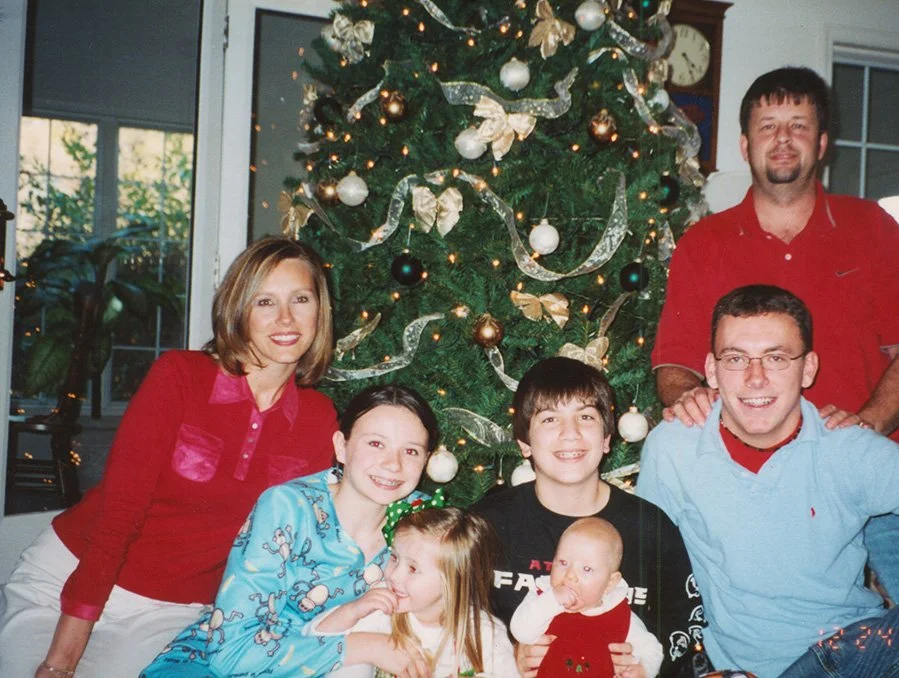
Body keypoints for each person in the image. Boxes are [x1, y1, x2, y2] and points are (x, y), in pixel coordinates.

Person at [650, 66, 899, 603]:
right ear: (744, 143)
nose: (781, 139)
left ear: (822, 143)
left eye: (797, 125)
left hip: (880, 475)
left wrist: (864, 428)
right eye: (768, 125)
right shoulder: (705, 242)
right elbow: (674, 364)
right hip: (758, 482)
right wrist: (689, 399)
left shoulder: (872, 227)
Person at [0, 237, 339, 678]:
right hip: (69, 578)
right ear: (239, 310)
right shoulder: (178, 377)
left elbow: (301, 548)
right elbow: (120, 514)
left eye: (300, 298)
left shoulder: (320, 419)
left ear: (319, 310)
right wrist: (61, 661)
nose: (286, 318)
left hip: (173, 613)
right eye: (265, 301)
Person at [637, 284, 899, 678]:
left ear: (808, 368)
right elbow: (646, 574)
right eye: (737, 358)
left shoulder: (848, 448)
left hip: (855, 656)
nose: (755, 378)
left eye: (776, 358)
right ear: (711, 370)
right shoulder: (673, 447)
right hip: (743, 671)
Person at [142, 384, 440, 677]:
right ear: (342, 447)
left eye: (411, 451)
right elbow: (230, 656)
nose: (393, 464)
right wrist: (362, 647)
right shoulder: (287, 507)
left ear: (426, 460)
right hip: (213, 666)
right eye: (376, 444)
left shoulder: (422, 522)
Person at [475, 357, 705, 678]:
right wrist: (506, 654)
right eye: (550, 419)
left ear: (607, 438)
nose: (570, 434)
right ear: (524, 443)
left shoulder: (649, 527)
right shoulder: (485, 525)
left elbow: (688, 620)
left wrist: (648, 665)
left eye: (585, 417)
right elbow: (449, 620)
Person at [311, 506, 518, 677]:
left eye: (413, 569)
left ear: (454, 581)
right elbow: (313, 646)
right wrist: (353, 611)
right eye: (394, 558)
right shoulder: (382, 605)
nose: (394, 576)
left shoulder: (483, 634)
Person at [509, 517, 663, 678]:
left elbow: (652, 650)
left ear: (610, 582)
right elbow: (521, 631)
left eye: (587, 569)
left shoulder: (619, 613)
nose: (570, 576)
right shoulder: (543, 597)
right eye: (563, 562)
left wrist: (643, 671)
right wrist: (552, 601)